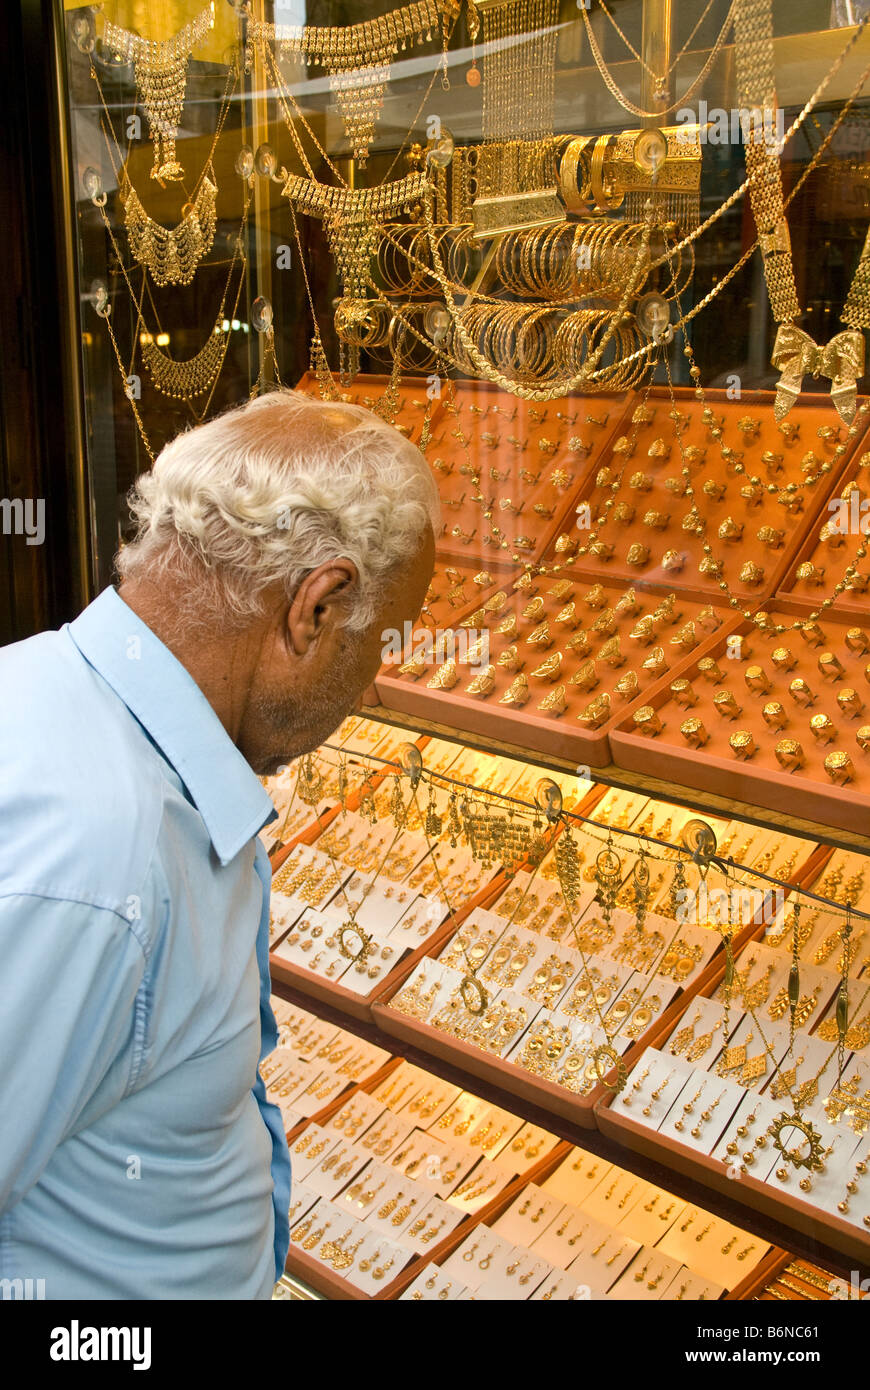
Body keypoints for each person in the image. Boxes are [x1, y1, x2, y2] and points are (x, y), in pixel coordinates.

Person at [0, 389, 438, 1298]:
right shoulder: (103, 860)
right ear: (319, 608)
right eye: (383, 643)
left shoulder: (52, 690)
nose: (372, 683)